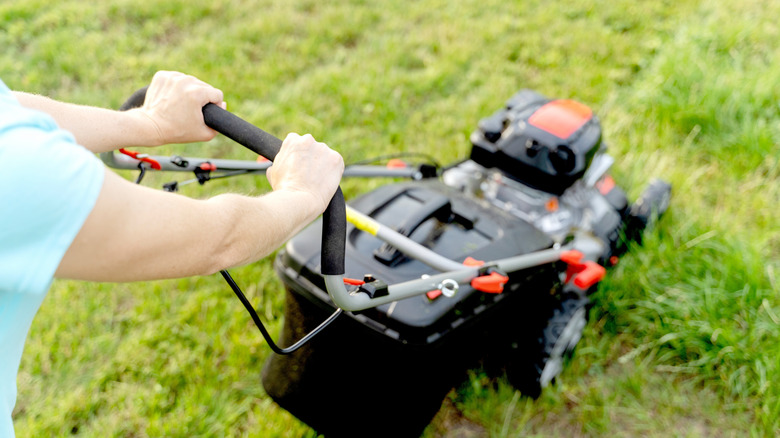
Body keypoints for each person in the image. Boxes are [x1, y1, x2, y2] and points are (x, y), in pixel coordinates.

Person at [0, 71, 344, 436]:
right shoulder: (20, 174)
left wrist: (147, 123)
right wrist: (302, 193)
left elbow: (11, 108)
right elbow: (216, 239)